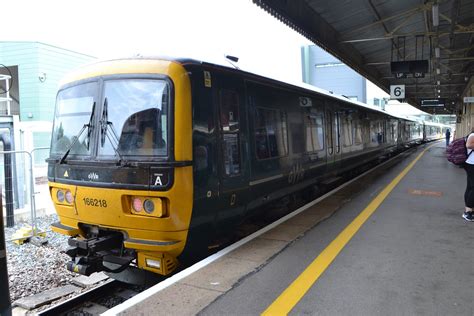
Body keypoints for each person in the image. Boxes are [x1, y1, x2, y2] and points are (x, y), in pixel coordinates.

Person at [463, 128, 474, 222]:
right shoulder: (472, 135)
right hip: (472, 164)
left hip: (471, 164)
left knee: (470, 187)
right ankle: (468, 212)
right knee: (472, 188)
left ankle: (469, 210)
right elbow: (469, 145)